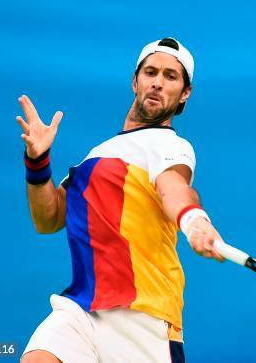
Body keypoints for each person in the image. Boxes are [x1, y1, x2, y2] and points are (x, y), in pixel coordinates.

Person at [17, 38, 224, 363]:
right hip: (81, 308)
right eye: (151, 72)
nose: (157, 82)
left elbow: (174, 187)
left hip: (144, 316)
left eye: (171, 77)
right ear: (135, 81)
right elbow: (49, 218)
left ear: (185, 93)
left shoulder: (171, 146)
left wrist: (194, 220)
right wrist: (38, 161)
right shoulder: (94, 158)